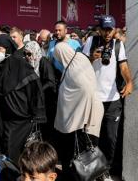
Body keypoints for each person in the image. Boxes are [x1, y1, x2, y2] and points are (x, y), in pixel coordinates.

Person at [82, 15, 133, 179]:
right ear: (99, 29)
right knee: (92, 138)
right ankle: (94, 171)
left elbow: (123, 66)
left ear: (115, 29)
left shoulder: (118, 45)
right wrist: (91, 57)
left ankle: (105, 171)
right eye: (104, 29)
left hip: (113, 100)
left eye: (110, 29)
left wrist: (129, 82)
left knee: (111, 138)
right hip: (93, 99)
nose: (107, 33)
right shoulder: (91, 42)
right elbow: (80, 65)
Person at [0, 35, 46, 162]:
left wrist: (37, 115)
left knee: (15, 152)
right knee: (5, 150)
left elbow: (34, 89)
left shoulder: (21, 65)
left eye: (0, 49)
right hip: (4, 118)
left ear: (8, 49)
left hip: (22, 119)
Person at [54, 42, 104, 179]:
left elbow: (86, 89)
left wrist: (82, 115)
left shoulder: (75, 67)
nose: (58, 59)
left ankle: (84, 176)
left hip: (85, 117)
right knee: (81, 152)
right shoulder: (77, 59)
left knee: (84, 153)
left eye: (58, 56)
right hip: (83, 115)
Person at [24, 41, 57, 144]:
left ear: (35, 52)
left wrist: (39, 89)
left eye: (29, 54)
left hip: (47, 101)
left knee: (46, 128)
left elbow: (51, 82)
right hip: (36, 101)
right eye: (25, 54)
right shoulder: (29, 64)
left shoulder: (44, 62)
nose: (27, 57)